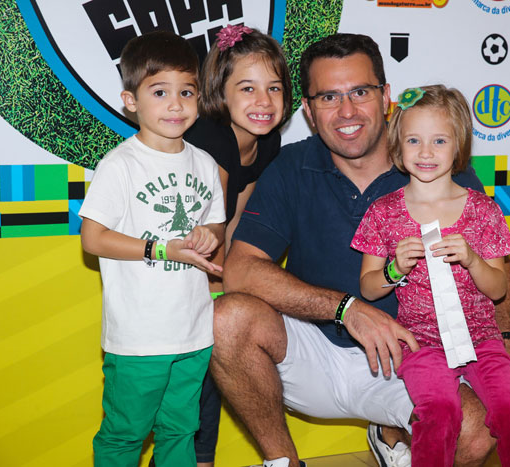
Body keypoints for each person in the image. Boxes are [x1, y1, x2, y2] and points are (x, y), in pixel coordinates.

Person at [211, 33, 510, 467]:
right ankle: (282, 462)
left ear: (386, 97)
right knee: (226, 319)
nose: (346, 112)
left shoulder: (440, 167)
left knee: (476, 433)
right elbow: (240, 270)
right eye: (328, 97)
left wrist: (506, 341)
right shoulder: (290, 166)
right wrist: (347, 308)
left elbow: (499, 269)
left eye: (360, 92)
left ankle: (392, 428)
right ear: (307, 109)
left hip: (412, 358)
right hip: (313, 351)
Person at [351, 85, 510, 467]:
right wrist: (394, 269)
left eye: (439, 140)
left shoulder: (483, 210)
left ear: (459, 146)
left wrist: (472, 260)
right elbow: (368, 288)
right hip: (421, 344)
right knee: (437, 415)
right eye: (413, 140)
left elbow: (500, 287)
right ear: (397, 146)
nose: (425, 152)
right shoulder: (383, 212)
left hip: (483, 340)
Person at [79, 31, 226, 467]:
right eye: (160, 92)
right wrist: (162, 250)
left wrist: (208, 235)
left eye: (187, 92)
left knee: (181, 430)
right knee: (125, 435)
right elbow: (93, 238)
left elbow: (215, 220)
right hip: (139, 340)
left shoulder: (202, 162)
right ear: (131, 100)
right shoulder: (120, 164)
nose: (176, 104)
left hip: (195, 333)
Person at [184, 24, 292, 467]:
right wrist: (229, 287)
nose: (263, 102)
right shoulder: (212, 140)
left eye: (274, 88)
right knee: (199, 363)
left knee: (221, 340)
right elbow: (208, 236)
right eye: (247, 88)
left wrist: (240, 285)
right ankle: (195, 458)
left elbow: (237, 226)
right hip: (174, 261)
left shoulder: (267, 143)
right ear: (220, 91)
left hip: (209, 262)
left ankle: (199, 458)